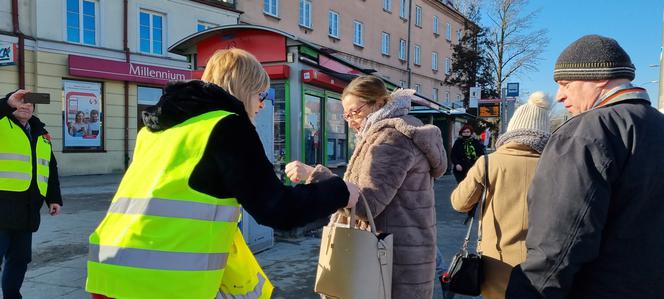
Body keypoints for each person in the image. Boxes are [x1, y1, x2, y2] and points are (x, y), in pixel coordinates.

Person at [85, 48, 360, 299]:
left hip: (111, 268)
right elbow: (278, 209)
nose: (263, 104)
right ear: (244, 89)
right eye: (261, 95)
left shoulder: (158, 130)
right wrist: (340, 191)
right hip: (162, 283)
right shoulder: (228, 126)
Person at [505, 35, 664, 298]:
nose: (559, 96)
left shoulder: (585, 133)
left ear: (600, 78)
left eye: (565, 84)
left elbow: (558, 245)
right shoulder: (658, 126)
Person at [286, 75, 447, 299]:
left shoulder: (390, 140)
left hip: (388, 263)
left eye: (355, 112)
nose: (350, 121)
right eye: (345, 114)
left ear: (379, 103)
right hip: (404, 255)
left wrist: (315, 175)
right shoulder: (397, 133)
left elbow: (365, 205)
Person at [450, 91, 552, 299]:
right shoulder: (557, 164)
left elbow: (460, 203)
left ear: (512, 129)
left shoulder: (490, 162)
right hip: (544, 262)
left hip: (496, 259)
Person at [0, 89, 63, 299]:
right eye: (21, 102)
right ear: (12, 105)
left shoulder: (41, 134)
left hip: (27, 210)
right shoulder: (1, 124)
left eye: (30, 103)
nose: (26, 106)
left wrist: (53, 198)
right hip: (1, 208)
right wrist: (6, 103)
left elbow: (50, 168)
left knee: (19, 260)